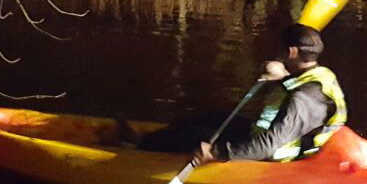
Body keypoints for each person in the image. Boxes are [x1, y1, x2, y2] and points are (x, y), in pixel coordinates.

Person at [134, 24, 347, 164]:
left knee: (191, 136)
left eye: (280, 50)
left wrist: (217, 154)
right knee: (212, 117)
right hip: (271, 139)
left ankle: (136, 154)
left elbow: (269, 145)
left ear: (291, 52)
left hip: (276, 158)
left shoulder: (303, 98)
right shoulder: (320, 75)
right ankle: (144, 141)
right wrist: (282, 76)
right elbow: (300, 95)